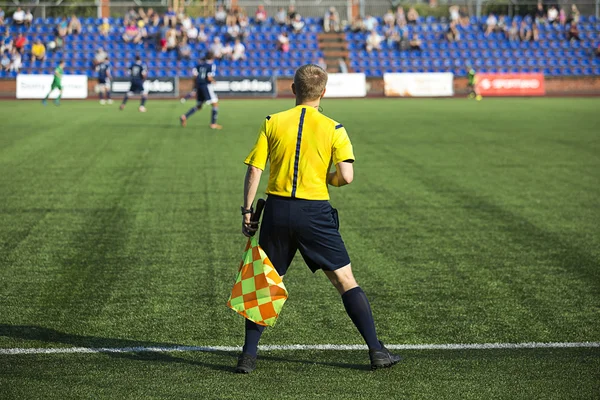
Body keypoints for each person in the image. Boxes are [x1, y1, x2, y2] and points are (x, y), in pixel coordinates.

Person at [236, 64, 402, 374]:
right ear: (323, 92)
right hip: (315, 214)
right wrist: (329, 179)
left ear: (293, 89)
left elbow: (255, 169)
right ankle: (377, 350)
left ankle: (248, 355)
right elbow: (347, 176)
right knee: (344, 280)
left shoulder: (272, 122)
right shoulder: (334, 128)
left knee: (265, 282)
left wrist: (247, 211)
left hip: (278, 209)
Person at [179, 51, 222, 130]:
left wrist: (195, 85)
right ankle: (213, 124)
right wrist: (214, 81)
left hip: (199, 86)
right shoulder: (211, 65)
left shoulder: (199, 65)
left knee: (199, 106)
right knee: (215, 104)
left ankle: (184, 116)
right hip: (206, 86)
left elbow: (195, 75)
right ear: (212, 58)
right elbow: (209, 77)